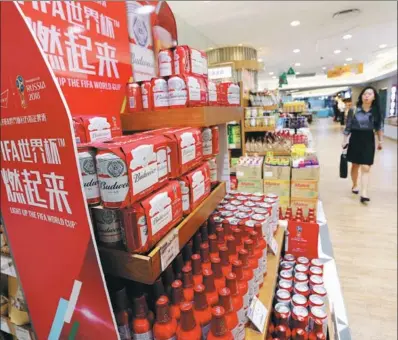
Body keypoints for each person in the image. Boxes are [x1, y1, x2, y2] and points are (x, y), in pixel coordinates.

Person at [342, 86, 383, 204]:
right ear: (361, 96)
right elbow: (348, 126)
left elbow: (379, 127)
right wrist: (345, 139)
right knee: (355, 165)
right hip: (355, 138)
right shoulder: (354, 110)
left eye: (370, 94)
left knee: (366, 166)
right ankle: (354, 184)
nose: (366, 96)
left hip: (368, 139)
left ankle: (364, 193)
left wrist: (380, 141)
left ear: (374, 97)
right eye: (365, 94)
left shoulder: (376, 112)